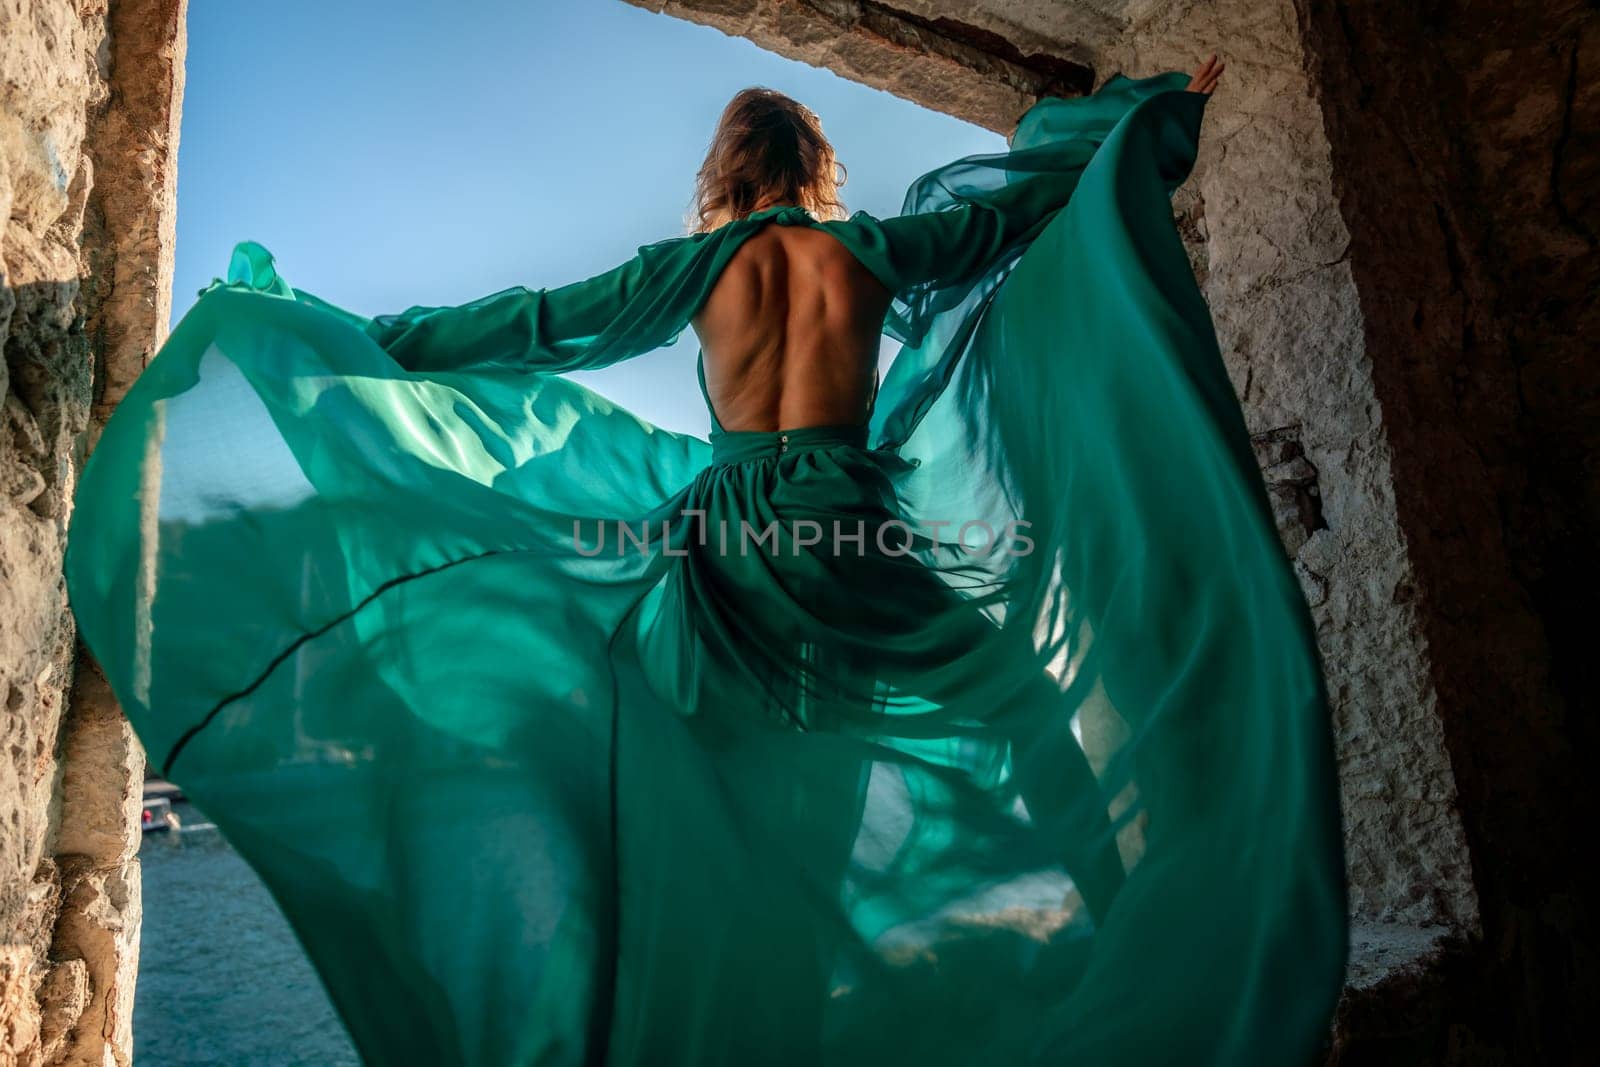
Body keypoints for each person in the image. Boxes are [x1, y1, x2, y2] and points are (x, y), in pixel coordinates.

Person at [66, 54, 1346, 1066]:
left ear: (729, 172)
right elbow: (1026, 208)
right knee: (1014, 707)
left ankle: (739, 1010)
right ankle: (1131, 912)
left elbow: (529, 329)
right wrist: (1151, 116)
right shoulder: (868, 249)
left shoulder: (695, 266)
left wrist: (353, 335)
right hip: (854, 522)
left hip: (732, 537)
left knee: (725, 772)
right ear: (819, 167)